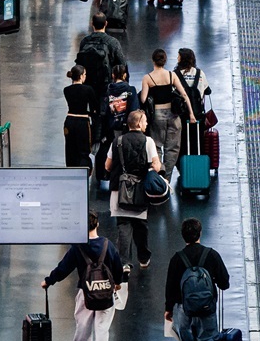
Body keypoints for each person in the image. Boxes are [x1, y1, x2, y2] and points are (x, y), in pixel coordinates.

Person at [42, 214, 126, 341]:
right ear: (98, 224)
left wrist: (49, 281)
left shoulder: (77, 247)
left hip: (85, 291)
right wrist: (117, 283)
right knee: (102, 328)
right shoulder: (108, 245)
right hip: (106, 291)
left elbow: (63, 268)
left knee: (83, 325)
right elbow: (118, 266)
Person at [164, 216, 231, 341]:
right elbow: (225, 282)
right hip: (207, 308)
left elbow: (170, 286)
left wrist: (168, 309)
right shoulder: (211, 255)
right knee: (208, 337)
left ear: (183, 236)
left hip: (183, 309)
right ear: (200, 233)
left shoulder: (177, 259)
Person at [107, 110, 161, 274]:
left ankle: (124, 263)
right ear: (138, 123)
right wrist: (153, 169)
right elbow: (156, 165)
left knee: (123, 226)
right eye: (144, 121)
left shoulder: (117, 141)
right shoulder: (148, 141)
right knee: (141, 226)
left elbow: (107, 166)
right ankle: (143, 258)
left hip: (119, 191)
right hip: (140, 191)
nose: (146, 124)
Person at [140, 48, 196, 159]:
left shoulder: (147, 78)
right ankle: (167, 175)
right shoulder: (172, 75)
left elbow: (143, 99)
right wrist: (191, 114)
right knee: (172, 149)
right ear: (165, 61)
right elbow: (184, 94)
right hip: (173, 115)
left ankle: (159, 173)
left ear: (153, 61)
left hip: (156, 115)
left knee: (156, 147)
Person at [64, 64, 102, 171]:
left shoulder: (66, 90)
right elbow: (95, 107)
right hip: (82, 121)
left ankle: (71, 172)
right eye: (84, 74)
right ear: (81, 76)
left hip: (69, 121)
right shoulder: (88, 89)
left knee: (70, 149)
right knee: (83, 150)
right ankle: (83, 173)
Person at [174, 48, 211, 126]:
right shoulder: (200, 73)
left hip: (181, 113)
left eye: (178, 57)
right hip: (198, 111)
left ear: (182, 59)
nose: (177, 58)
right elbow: (208, 91)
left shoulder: (175, 74)